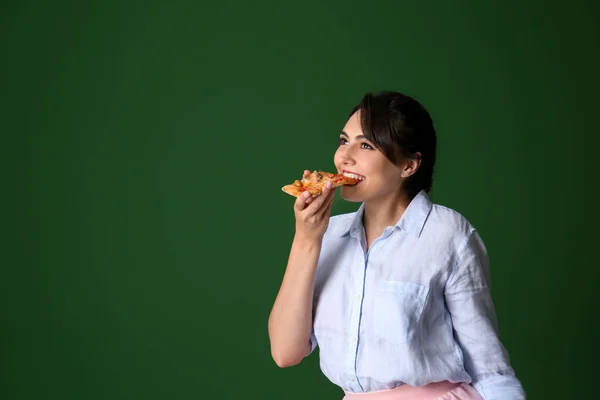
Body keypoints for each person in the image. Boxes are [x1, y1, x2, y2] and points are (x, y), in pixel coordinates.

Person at [268, 91, 526, 400]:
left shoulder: (448, 234)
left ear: (409, 165)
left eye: (365, 145)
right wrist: (306, 239)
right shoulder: (327, 234)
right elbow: (285, 353)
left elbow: (489, 369)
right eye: (343, 140)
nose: (344, 157)